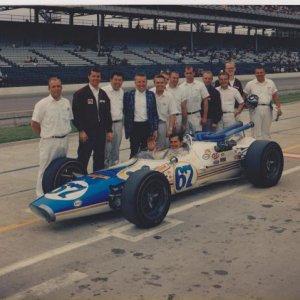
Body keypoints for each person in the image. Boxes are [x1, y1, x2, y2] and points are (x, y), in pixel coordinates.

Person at [31, 77, 73, 198]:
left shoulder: (66, 102)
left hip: (64, 140)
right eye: (53, 86)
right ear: (49, 88)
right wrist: (44, 136)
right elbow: (34, 124)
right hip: (49, 141)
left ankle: (55, 188)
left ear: (62, 87)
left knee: (60, 167)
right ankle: (40, 195)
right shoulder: (42, 104)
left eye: (58, 86)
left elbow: (69, 120)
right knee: (44, 168)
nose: (56, 88)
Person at [72, 67, 112, 172]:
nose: (96, 78)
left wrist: (109, 130)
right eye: (93, 76)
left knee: (99, 158)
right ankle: (79, 179)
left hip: (100, 131)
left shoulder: (103, 94)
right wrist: (81, 130)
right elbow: (75, 115)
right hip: (87, 132)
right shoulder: (80, 94)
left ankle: (96, 180)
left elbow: (107, 114)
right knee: (83, 157)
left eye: (98, 76)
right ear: (89, 76)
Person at [123, 73, 159, 158]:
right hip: (134, 127)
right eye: (139, 82)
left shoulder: (151, 95)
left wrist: (155, 129)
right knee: (134, 150)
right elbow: (126, 111)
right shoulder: (128, 95)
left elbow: (154, 112)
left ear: (146, 82)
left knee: (146, 150)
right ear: (135, 82)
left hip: (147, 126)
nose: (141, 84)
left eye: (143, 82)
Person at [244, 66, 282, 140]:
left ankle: (265, 149)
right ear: (255, 74)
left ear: (264, 73)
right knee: (256, 131)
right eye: (257, 73)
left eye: (261, 72)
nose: (259, 74)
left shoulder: (270, 82)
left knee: (266, 131)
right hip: (255, 109)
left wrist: (279, 107)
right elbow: (244, 96)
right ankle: (257, 149)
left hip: (268, 108)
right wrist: (246, 105)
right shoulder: (250, 84)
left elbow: (275, 96)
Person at [102, 72, 124, 167]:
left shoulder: (122, 92)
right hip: (107, 125)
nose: (117, 82)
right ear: (111, 80)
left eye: (120, 80)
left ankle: (115, 167)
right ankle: (106, 168)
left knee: (116, 149)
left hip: (118, 123)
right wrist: (107, 129)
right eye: (115, 80)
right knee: (107, 150)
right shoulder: (103, 91)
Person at [180, 66, 210, 134]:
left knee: (198, 137)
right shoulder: (180, 87)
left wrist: (204, 117)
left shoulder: (200, 85)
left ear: (194, 73)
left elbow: (205, 101)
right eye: (187, 73)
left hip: (196, 116)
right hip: (185, 117)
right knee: (186, 137)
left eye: (190, 73)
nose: (188, 75)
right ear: (184, 74)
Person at [153, 74, 178, 148]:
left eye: (161, 83)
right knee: (150, 147)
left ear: (165, 83)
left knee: (161, 146)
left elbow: (172, 113)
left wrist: (170, 129)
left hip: (162, 124)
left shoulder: (169, 96)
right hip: (150, 125)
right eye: (157, 83)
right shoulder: (150, 93)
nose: (159, 84)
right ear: (154, 83)